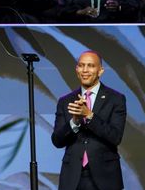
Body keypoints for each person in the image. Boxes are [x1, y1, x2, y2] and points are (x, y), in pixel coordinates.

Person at [51, 51, 126, 190]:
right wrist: (74, 122)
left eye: (90, 66)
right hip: (73, 177)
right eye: (81, 65)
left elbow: (115, 137)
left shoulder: (116, 99)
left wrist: (90, 116)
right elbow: (57, 140)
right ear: (76, 69)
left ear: (100, 71)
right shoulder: (65, 101)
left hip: (105, 176)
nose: (85, 70)